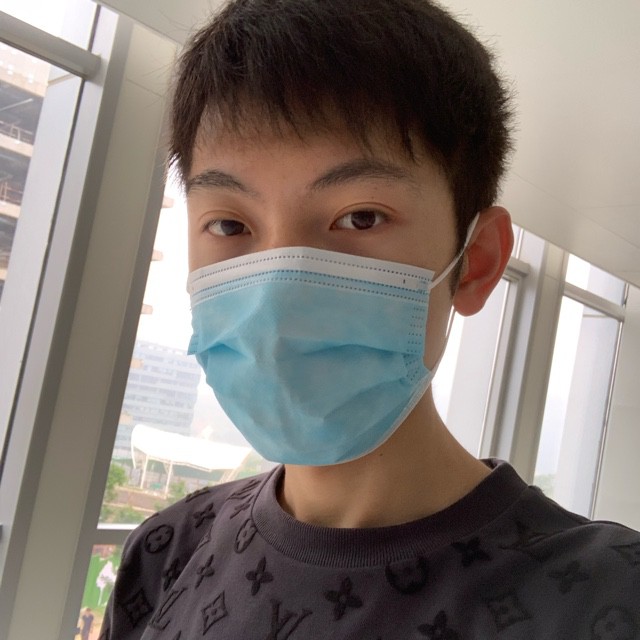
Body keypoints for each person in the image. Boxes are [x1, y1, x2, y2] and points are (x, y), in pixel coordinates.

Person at [100, 1, 640, 638]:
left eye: (360, 217)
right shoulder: (166, 551)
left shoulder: (607, 596)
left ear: (476, 262)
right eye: (228, 224)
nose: (278, 293)